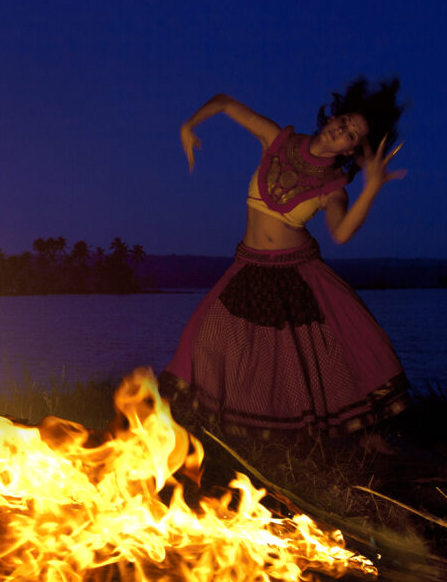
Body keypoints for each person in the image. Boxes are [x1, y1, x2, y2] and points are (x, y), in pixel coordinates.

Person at [158, 78, 410, 441]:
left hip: (296, 272)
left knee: (306, 359)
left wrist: (370, 188)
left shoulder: (333, 186)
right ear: (333, 115)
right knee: (203, 337)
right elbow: (227, 102)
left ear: (351, 150)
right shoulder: (277, 139)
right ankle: (196, 426)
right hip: (248, 264)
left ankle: (345, 434)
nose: (343, 129)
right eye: (345, 120)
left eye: (352, 135)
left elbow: (340, 232)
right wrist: (189, 124)